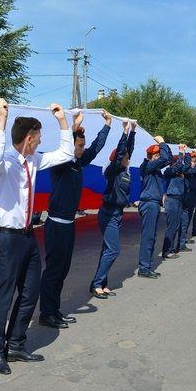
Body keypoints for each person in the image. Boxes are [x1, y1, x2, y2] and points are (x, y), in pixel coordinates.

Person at [0, 98, 73, 375]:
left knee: (30, 291)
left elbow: (66, 154)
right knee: (4, 295)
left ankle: (16, 345)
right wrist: (1, 121)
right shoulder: (3, 164)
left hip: (27, 236)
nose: (40, 142)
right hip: (7, 239)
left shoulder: (34, 160)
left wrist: (62, 121)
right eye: (39, 137)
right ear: (30, 138)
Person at [39, 109, 111, 327]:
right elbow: (66, 147)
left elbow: (95, 149)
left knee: (63, 269)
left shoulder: (78, 163)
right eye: (79, 146)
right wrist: (71, 127)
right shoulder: (60, 164)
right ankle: (46, 314)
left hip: (69, 225)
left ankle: (54, 310)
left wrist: (107, 126)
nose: (82, 149)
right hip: (56, 225)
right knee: (53, 271)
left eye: (81, 146)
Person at [91, 120, 135, 297]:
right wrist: (124, 133)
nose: (128, 158)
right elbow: (121, 154)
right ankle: (96, 284)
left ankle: (101, 283)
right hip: (108, 213)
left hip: (117, 214)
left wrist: (133, 131)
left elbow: (127, 150)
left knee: (107, 249)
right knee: (114, 249)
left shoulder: (124, 171)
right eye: (124, 157)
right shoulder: (113, 171)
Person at [135, 134, 171, 279]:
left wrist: (164, 145)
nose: (160, 156)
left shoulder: (153, 168)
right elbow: (164, 158)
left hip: (153, 204)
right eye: (158, 153)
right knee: (148, 237)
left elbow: (167, 159)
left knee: (151, 236)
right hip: (149, 204)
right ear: (153, 155)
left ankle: (146, 266)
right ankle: (144, 267)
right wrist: (162, 142)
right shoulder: (147, 166)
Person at [161, 145, 187, 258]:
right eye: (177, 162)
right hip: (171, 200)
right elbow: (178, 166)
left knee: (176, 226)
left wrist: (186, 155)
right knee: (171, 226)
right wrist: (181, 152)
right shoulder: (168, 171)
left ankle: (171, 248)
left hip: (178, 200)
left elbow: (185, 166)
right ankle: (166, 251)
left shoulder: (179, 174)